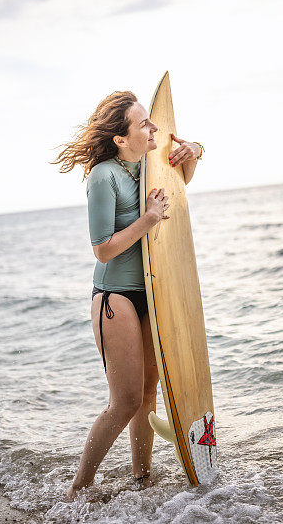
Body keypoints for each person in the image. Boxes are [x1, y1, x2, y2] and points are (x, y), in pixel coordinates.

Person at [53, 90, 203, 500]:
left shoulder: (149, 165)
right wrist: (149, 219)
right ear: (121, 138)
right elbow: (102, 247)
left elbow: (183, 175)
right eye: (143, 124)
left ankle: (142, 477)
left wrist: (195, 149)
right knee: (125, 400)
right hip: (115, 298)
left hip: (152, 292)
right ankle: (78, 488)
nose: (153, 128)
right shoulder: (103, 175)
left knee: (150, 391)